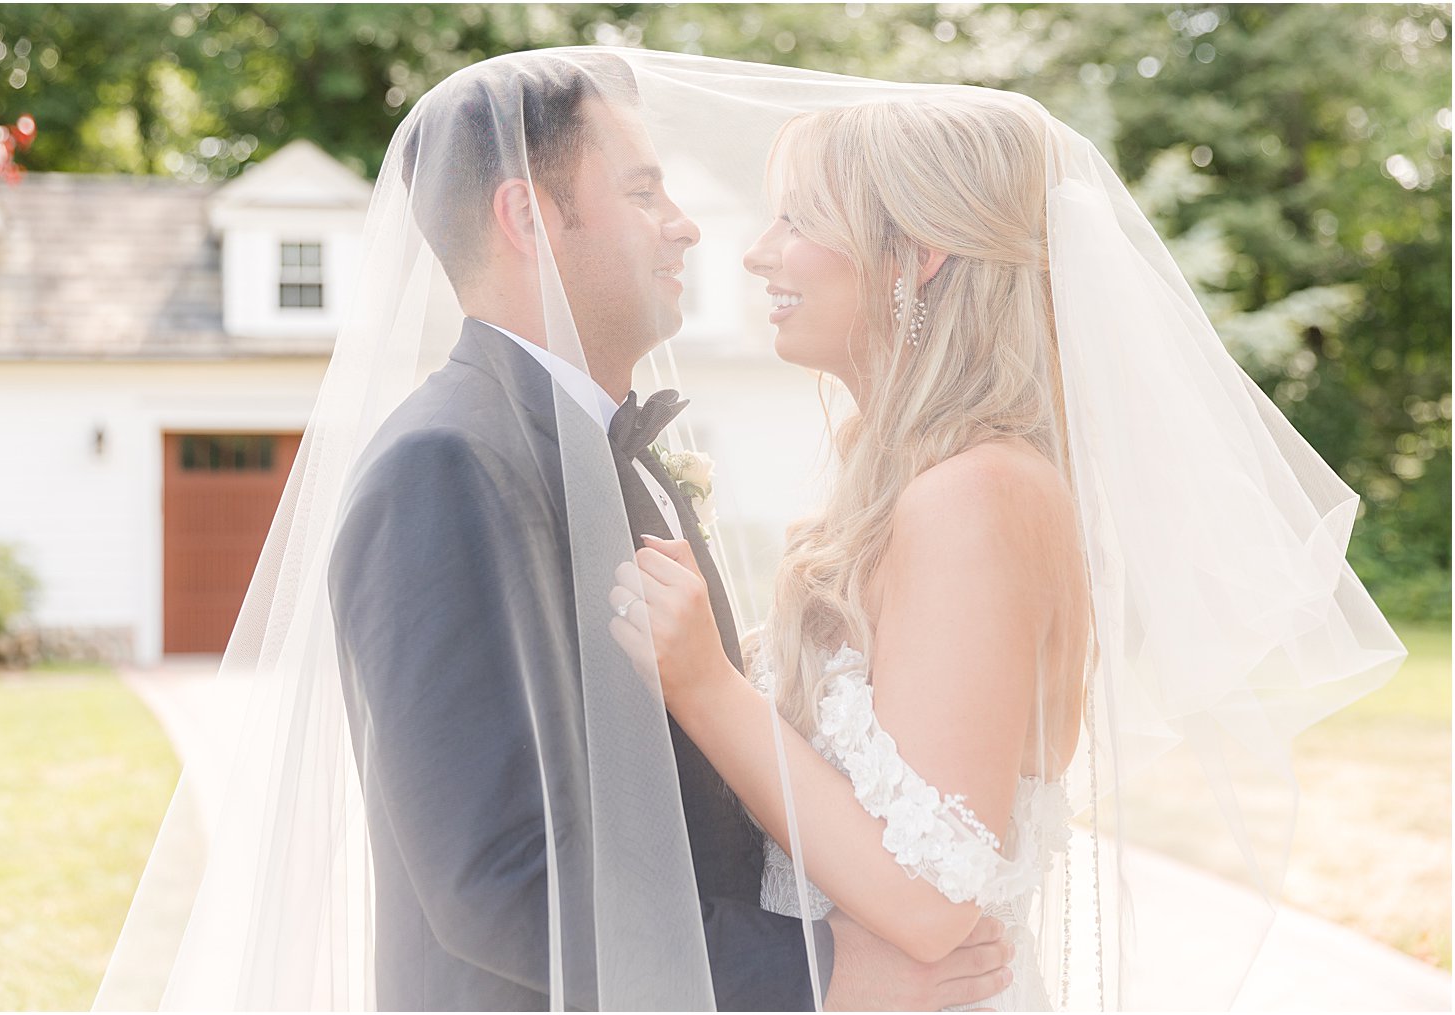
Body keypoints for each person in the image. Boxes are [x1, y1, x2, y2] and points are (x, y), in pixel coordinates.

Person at [611, 89, 1407, 1010]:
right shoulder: (917, 480)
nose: (756, 250)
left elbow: (936, 895)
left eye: (798, 217)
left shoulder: (977, 494)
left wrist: (708, 686)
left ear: (919, 252)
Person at [326, 54, 1011, 1011]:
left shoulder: (611, 448)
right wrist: (815, 971)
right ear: (528, 217)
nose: (687, 226)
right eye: (645, 191)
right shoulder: (446, 466)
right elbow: (498, 875)